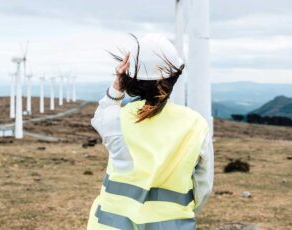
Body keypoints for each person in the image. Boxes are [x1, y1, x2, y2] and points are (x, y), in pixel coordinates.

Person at [87, 34, 214, 230]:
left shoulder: (117, 119)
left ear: (130, 79)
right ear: (174, 78)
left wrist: (117, 86)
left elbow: (102, 114)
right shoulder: (195, 124)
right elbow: (203, 187)